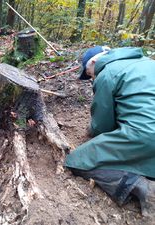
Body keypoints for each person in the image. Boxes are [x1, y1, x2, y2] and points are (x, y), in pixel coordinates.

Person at [65, 46, 155, 218]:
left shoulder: (107, 73)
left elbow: (102, 127)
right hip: (148, 134)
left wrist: (91, 131)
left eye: (90, 74)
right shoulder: (149, 63)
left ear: (93, 61)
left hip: (145, 137)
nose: (92, 78)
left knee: (76, 160)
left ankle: (143, 187)